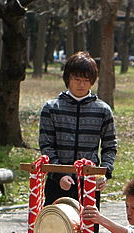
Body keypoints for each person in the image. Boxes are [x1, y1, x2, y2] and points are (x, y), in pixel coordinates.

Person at [38, 50, 116, 206]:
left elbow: (110, 147)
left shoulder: (103, 110)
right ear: (68, 78)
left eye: (86, 80)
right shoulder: (51, 108)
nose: (81, 84)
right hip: (57, 182)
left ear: (93, 81)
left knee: (90, 229)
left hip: (89, 182)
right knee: (55, 228)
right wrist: (59, 174)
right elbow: (46, 145)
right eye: (77, 79)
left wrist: (104, 173)